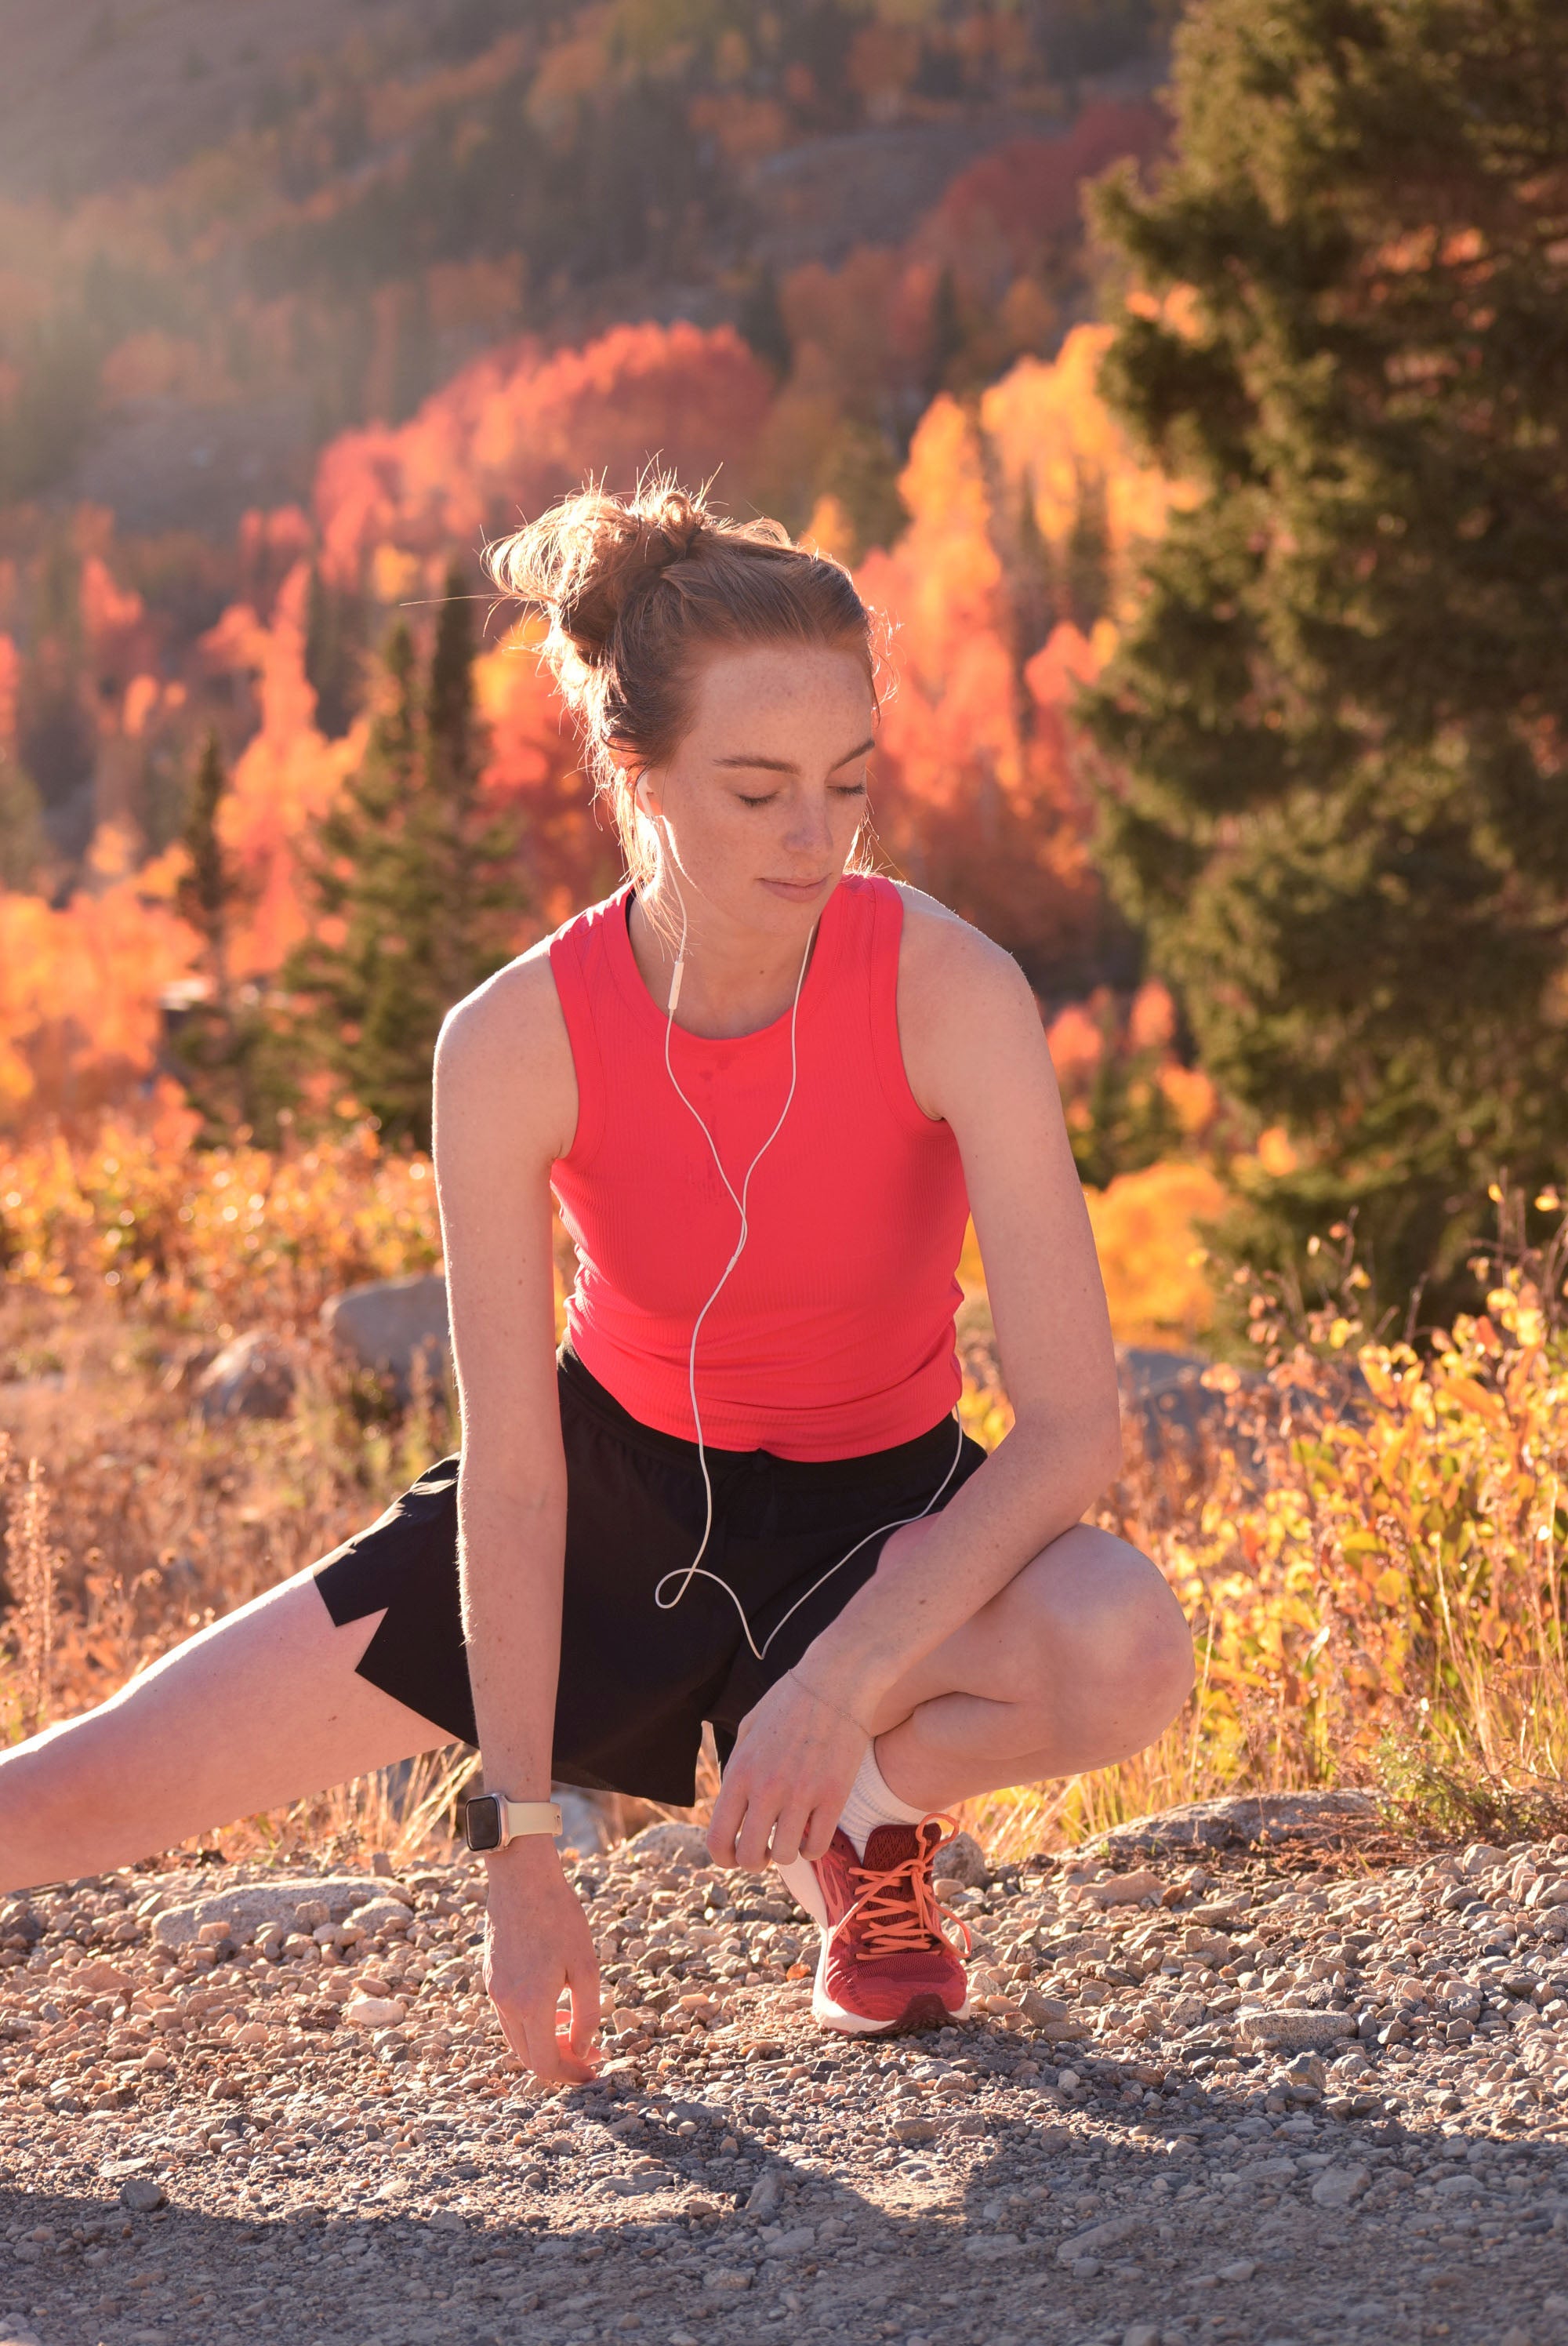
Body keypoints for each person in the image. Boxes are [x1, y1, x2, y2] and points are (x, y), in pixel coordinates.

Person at [0, 470, 1195, 2086]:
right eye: (756, 786)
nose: (813, 836)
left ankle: (854, 1819)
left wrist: (837, 1690)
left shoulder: (948, 986)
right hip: (592, 1502)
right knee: (75, 1788)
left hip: (877, 1527)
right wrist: (521, 1850)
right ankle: (822, 1800)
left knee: (1127, 1642)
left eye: (845, 783)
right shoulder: (509, 1041)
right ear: (631, 772)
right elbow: (508, 1460)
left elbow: (1069, 1429)